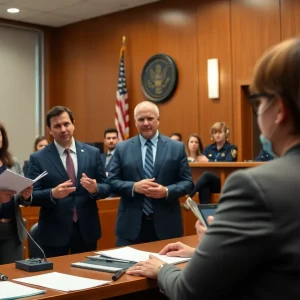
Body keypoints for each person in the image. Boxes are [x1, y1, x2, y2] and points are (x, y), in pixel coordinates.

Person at [126, 37, 300, 299]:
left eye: (259, 102)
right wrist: (203, 252)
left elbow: (190, 292)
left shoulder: (253, 187)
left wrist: (161, 269)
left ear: (280, 110)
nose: (258, 112)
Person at [27, 106, 111, 258]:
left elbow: (107, 187)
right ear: (50, 130)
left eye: (66, 124)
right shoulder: (38, 158)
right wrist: (52, 193)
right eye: (57, 126)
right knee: (53, 278)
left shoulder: (92, 153)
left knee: (88, 277)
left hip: (87, 230)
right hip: (54, 233)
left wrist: (95, 188)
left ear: (73, 124)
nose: (63, 129)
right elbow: (29, 197)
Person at [108, 101, 193, 246]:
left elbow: (188, 183)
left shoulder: (176, 148)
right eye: (141, 119)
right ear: (135, 122)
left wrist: (166, 191)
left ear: (158, 120)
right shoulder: (122, 148)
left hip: (167, 227)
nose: (146, 123)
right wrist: (134, 187)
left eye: (150, 118)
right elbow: (111, 181)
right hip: (130, 228)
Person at [0, 122, 32, 265]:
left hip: (13, 229)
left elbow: (18, 196)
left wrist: (25, 195)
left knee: (12, 278)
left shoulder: (13, 163)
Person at [189, 122, 238, 203]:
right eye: (215, 133)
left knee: (206, 174)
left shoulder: (231, 148)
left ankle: (188, 195)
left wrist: (209, 161)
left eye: (220, 132)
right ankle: (205, 214)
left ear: (226, 134)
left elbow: (229, 163)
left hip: (224, 182)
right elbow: (201, 161)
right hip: (211, 182)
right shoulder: (209, 148)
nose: (217, 135)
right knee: (204, 186)